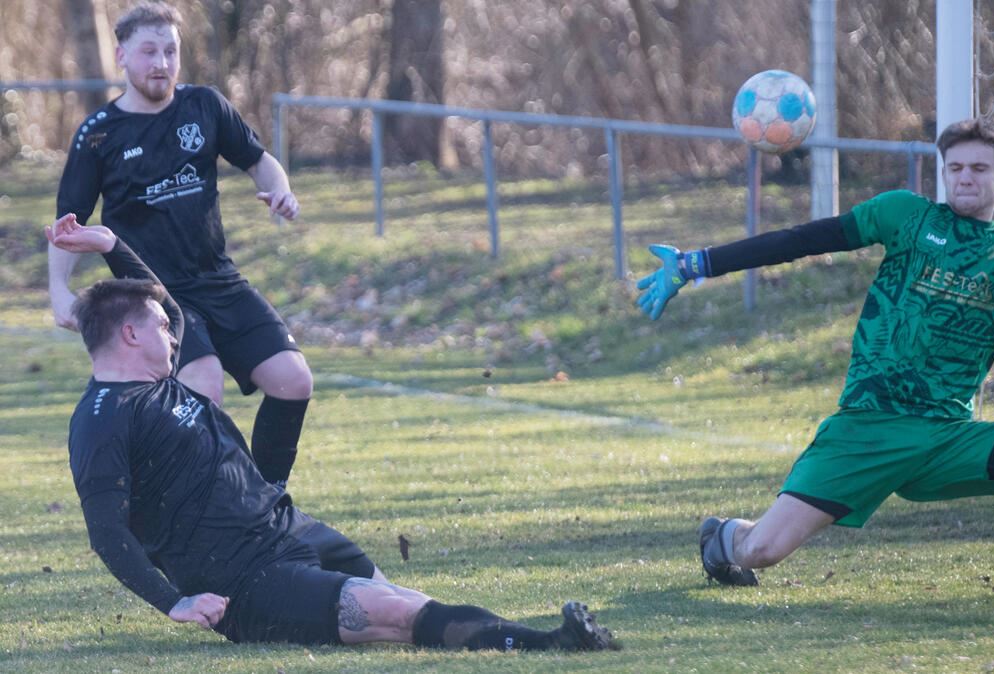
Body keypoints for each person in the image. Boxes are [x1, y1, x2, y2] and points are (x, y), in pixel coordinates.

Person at [45, 215, 617, 651]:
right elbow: (106, 532)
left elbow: (164, 302)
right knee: (394, 616)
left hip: (288, 527)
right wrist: (175, 602)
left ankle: (533, 637)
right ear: (128, 335)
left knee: (401, 600)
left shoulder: (159, 379)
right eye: (162, 330)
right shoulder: (102, 421)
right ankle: (549, 643)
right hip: (246, 580)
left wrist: (110, 245)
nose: (175, 335)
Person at [635, 116, 994, 587]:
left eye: (980, 169)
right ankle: (725, 537)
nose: (966, 178)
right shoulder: (905, 216)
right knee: (762, 551)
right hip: (867, 429)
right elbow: (801, 240)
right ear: (944, 172)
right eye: (956, 167)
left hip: (948, 438)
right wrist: (697, 263)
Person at [48, 1, 309, 488]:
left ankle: (266, 501)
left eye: (170, 51)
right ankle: (207, 507)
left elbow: (260, 160)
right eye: (149, 52)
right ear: (122, 56)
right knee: (203, 387)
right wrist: (59, 292)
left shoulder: (205, 106)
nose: (162, 63)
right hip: (154, 297)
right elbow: (67, 225)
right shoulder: (98, 135)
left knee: (294, 381)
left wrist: (281, 189)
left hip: (220, 280)